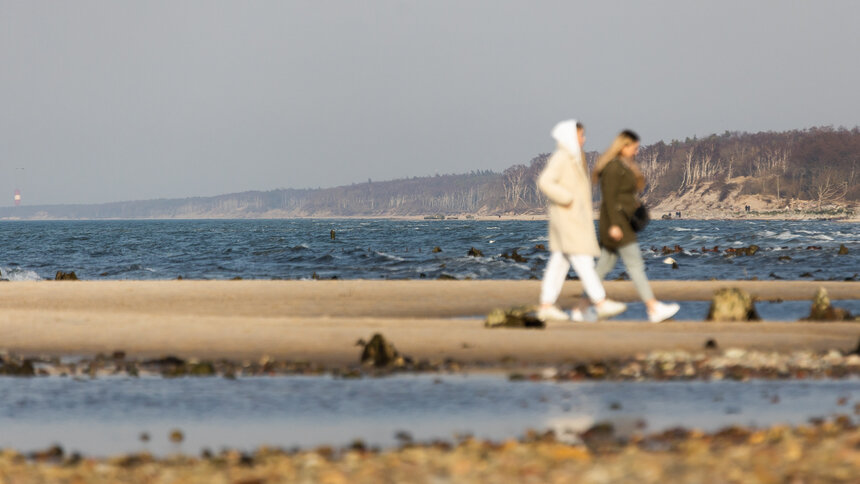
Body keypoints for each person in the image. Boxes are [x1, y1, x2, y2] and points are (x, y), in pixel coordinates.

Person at [535, 120, 627, 322]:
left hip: (572, 219)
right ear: (570, 136)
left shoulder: (575, 157)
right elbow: (545, 181)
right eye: (581, 135)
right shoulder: (562, 157)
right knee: (582, 259)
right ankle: (600, 302)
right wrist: (566, 198)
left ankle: (546, 305)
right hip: (568, 219)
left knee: (560, 261)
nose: (584, 139)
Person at [592, 130, 680, 323]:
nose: (637, 152)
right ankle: (653, 307)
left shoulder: (624, 166)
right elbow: (610, 198)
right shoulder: (613, 167)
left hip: (623, 222)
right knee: (635, 266)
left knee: (604, 266)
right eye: (634, 148)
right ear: (623, 146)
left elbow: (624, 194)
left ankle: (582, 306)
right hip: (617, 224)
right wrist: (614, 225)